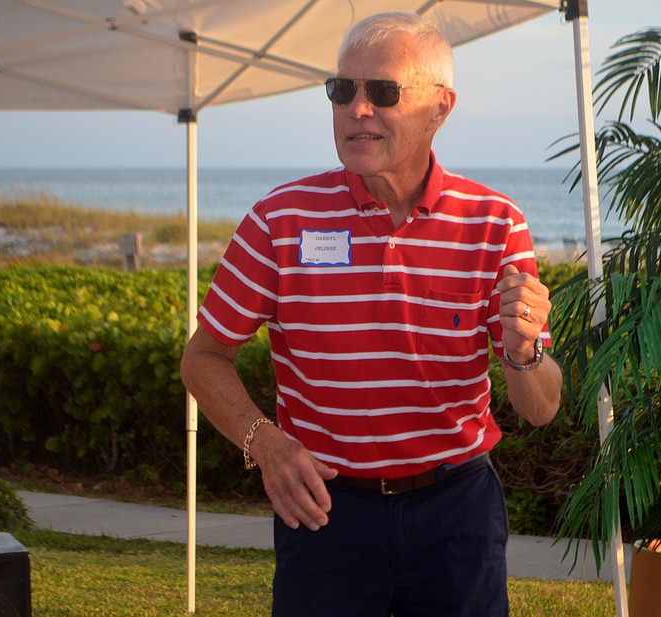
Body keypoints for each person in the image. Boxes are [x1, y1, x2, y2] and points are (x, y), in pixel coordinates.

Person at [180, 11, 562, 617]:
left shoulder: (495, 224)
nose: (357, 109)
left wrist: (524, 352)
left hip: (456, 516)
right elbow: (203, 357)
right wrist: (267, 445)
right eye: (342, 90)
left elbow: (540, 408)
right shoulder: (279, 220)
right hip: (325, 512)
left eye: (383, 92)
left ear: (440, 108)